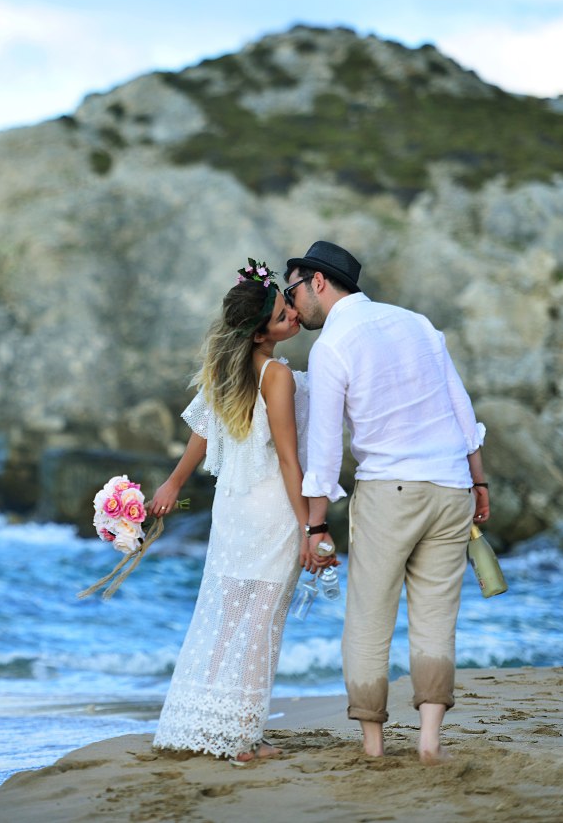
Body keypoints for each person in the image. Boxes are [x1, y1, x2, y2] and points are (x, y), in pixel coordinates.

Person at [283, 240, 490, 764]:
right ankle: (429, 741)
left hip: (390, 492)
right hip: (450, 488)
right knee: (437, 618)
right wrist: (479, 483)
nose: (293, 300)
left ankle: (373, 744)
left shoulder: (334, 344)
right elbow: (460, 408)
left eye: (294, 288)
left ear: (319, 283)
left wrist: (315, 527)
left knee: (370, 619)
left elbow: (326, 450)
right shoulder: (417, 323)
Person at [150, 259, 334, 765]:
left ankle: (202, 721)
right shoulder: (276, 375)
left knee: (227, 615)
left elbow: (201, 434)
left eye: (287, 308)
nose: (293, 317)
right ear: (258, 336)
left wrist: (173, 482)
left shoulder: (227, 369)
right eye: (281, 317)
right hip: (271, 508)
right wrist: (310, 527)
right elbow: (290, 458)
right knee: (261, 621)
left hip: (231, 511)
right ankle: (244, 737)